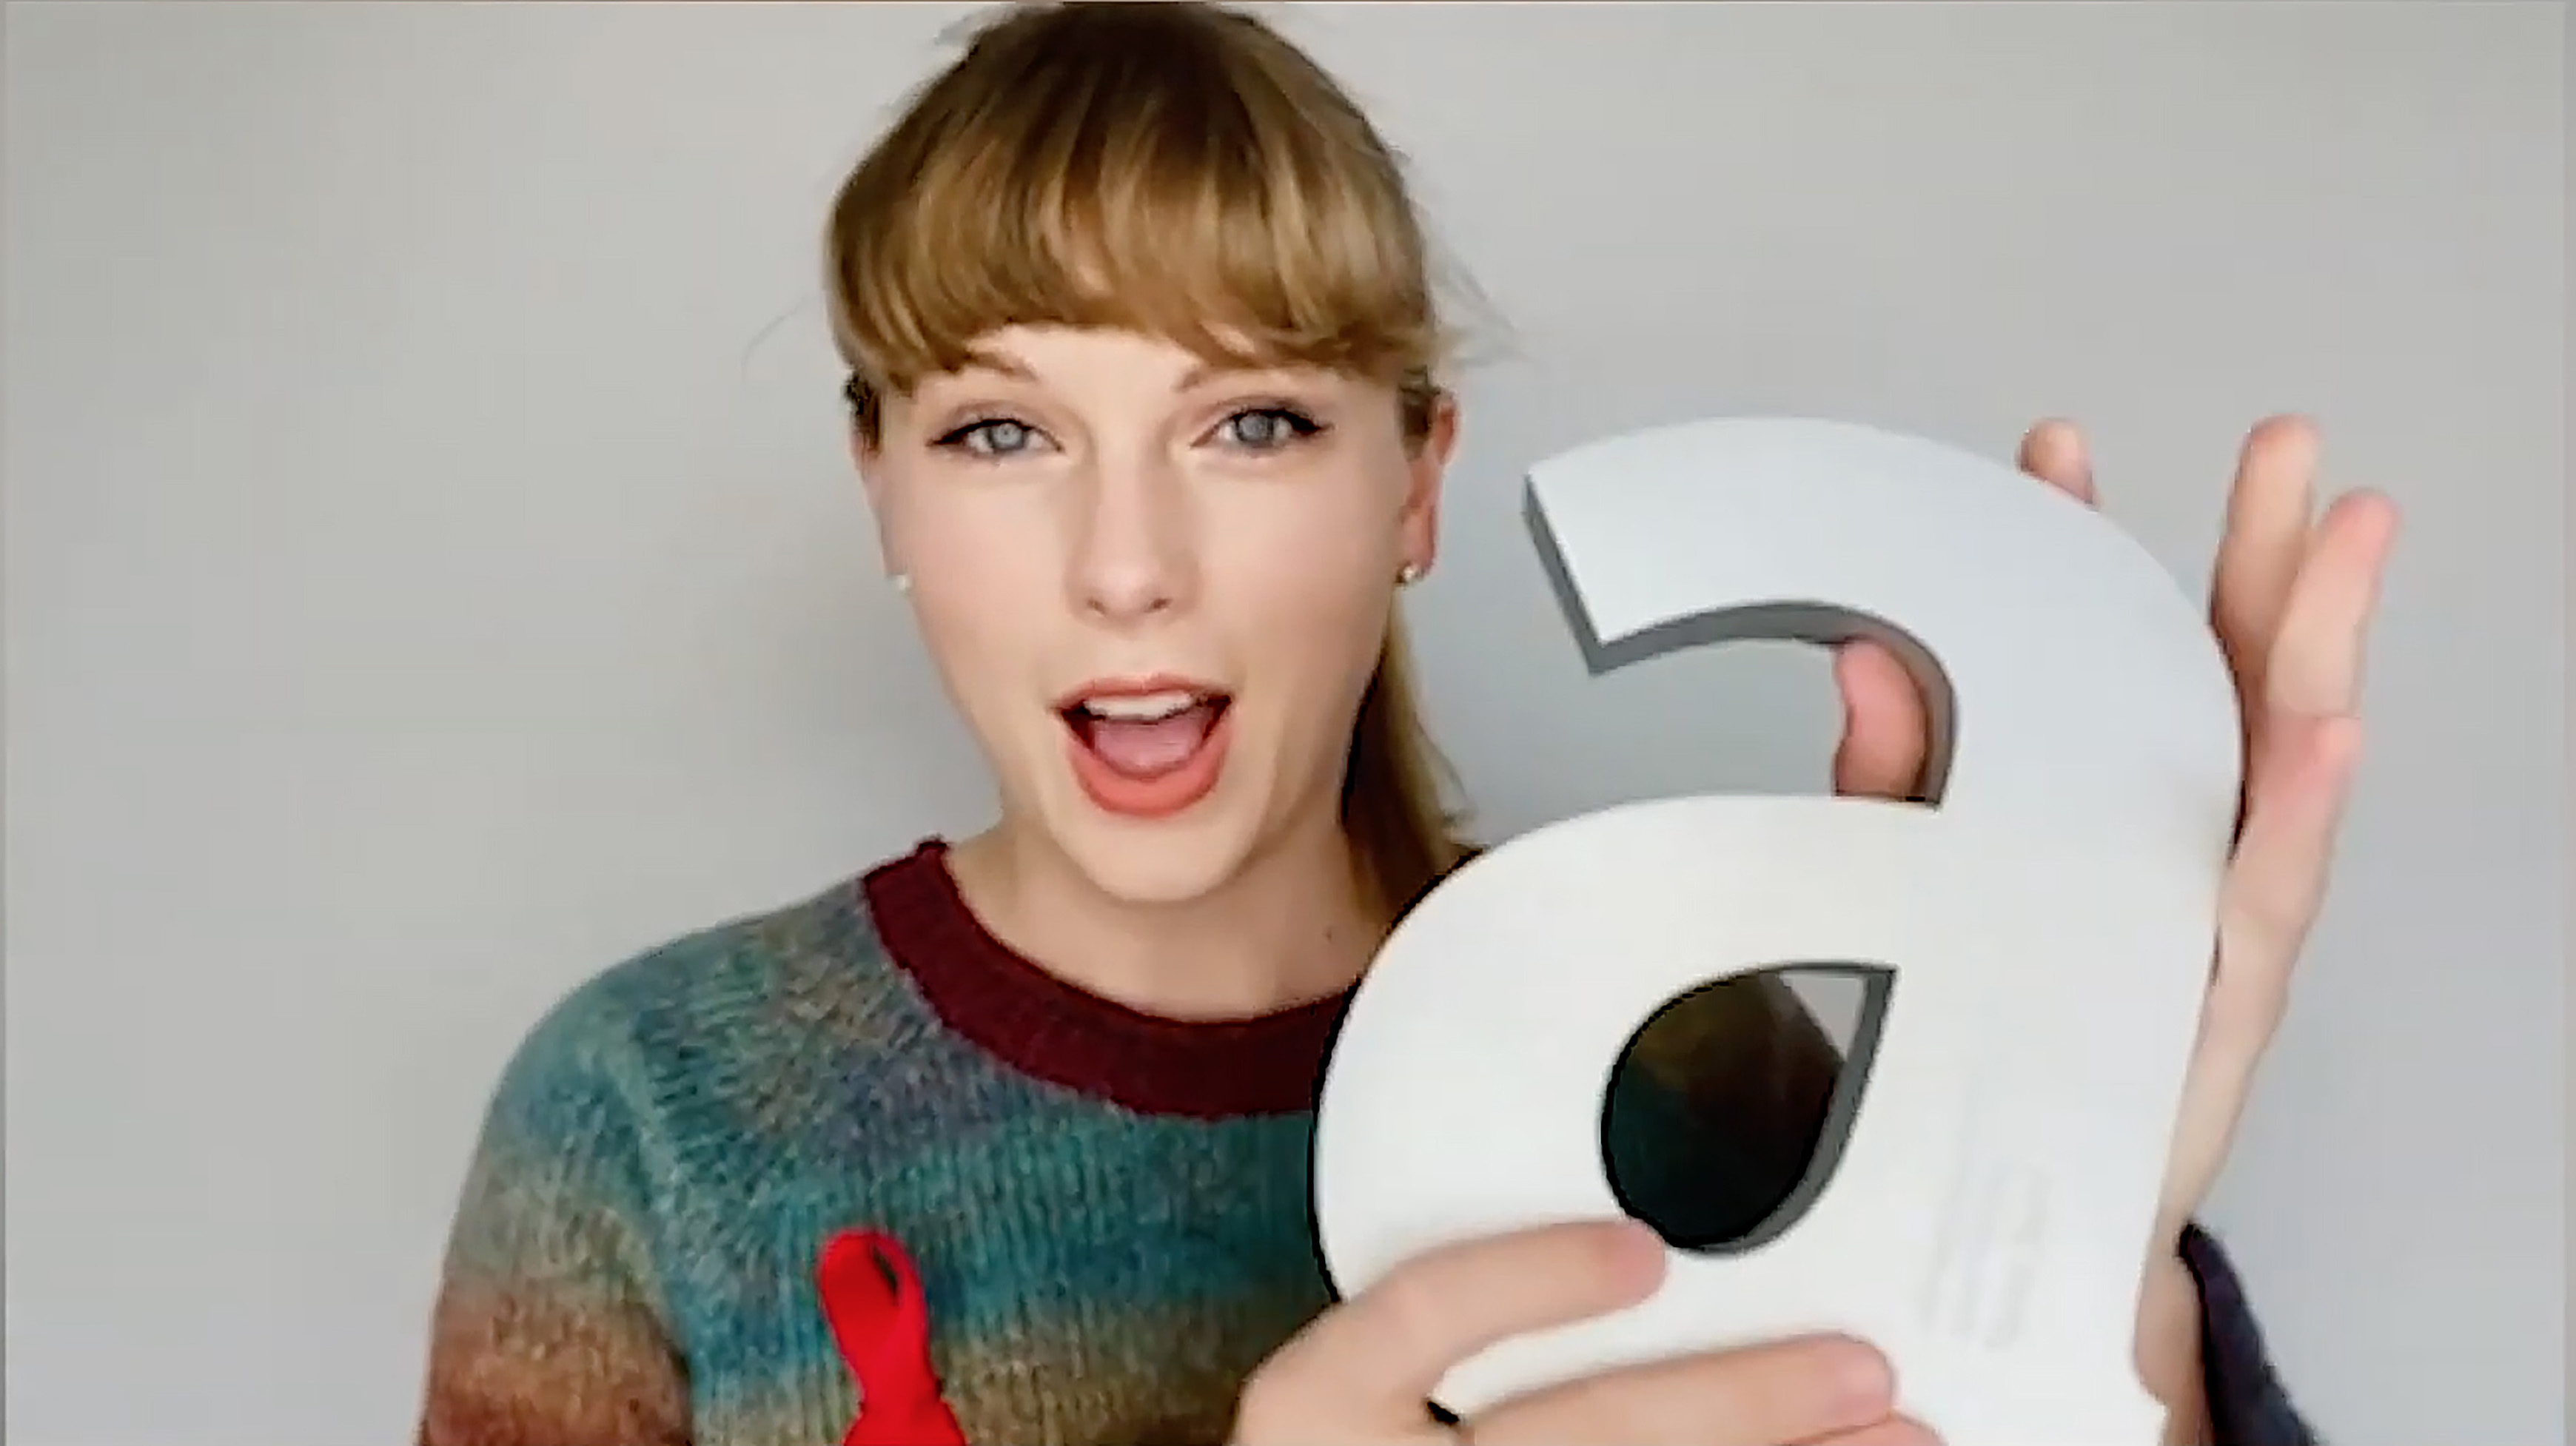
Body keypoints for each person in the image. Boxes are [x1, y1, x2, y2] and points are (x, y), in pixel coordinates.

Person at [412, 4, 2397, 1445]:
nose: (1128, 564)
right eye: (1001, 430)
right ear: (884, 486)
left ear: (1415, 485)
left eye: (1253, 422)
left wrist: (2084, 1259)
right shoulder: (655, 1123)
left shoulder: (1707, 1078)